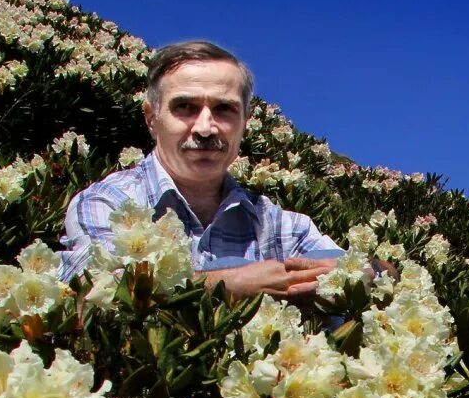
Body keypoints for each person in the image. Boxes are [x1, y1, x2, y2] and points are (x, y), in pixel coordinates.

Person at [59, 40, 344, 300]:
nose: (205, 128)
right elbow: (96, 288)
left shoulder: (275, 222)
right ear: (151, 118)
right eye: (185, 106)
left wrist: (369, 272)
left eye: (223, 109)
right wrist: (228, 283)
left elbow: (369, 270)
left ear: (245, 121)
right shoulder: (107, 202)